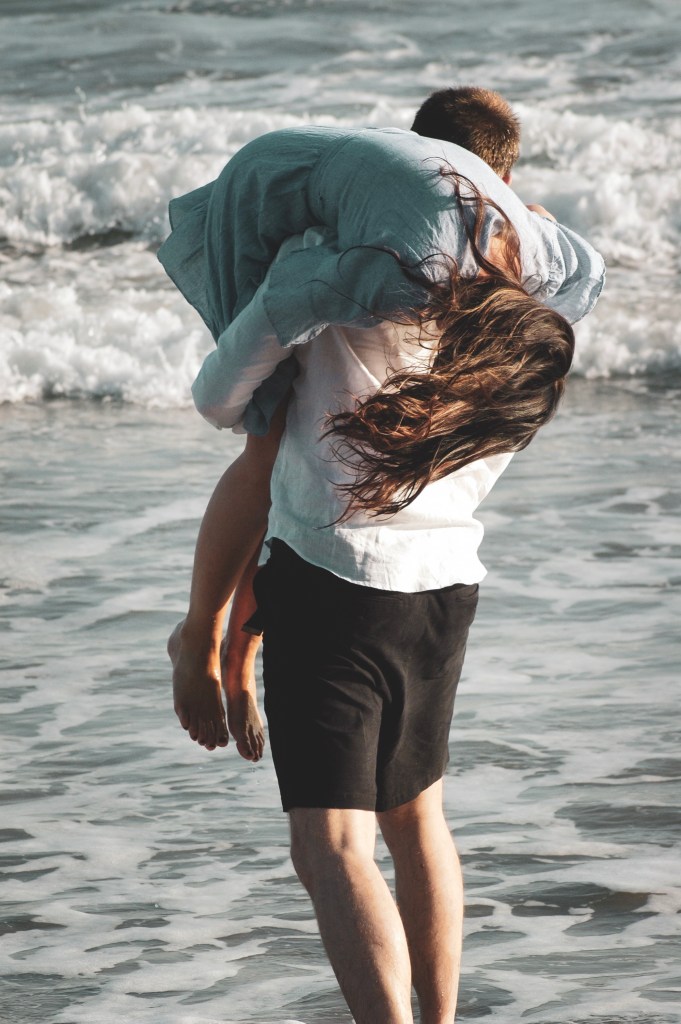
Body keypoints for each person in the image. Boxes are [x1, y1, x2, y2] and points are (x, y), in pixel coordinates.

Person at [159, 114, 605, 1023]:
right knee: (417, 823)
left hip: (334, 585)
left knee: (330, 846)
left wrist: (212, 641)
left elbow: (271, 472)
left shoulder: (343, 277)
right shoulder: (523, 329)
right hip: (443, 588)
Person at [163, 88, 555, 761]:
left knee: (300, 467)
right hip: (276, 236)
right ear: (504, 175)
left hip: (353, 278)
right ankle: (202, 636)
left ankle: (237, 649)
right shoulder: (393, 231)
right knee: (270, 445)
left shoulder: (497, 230)